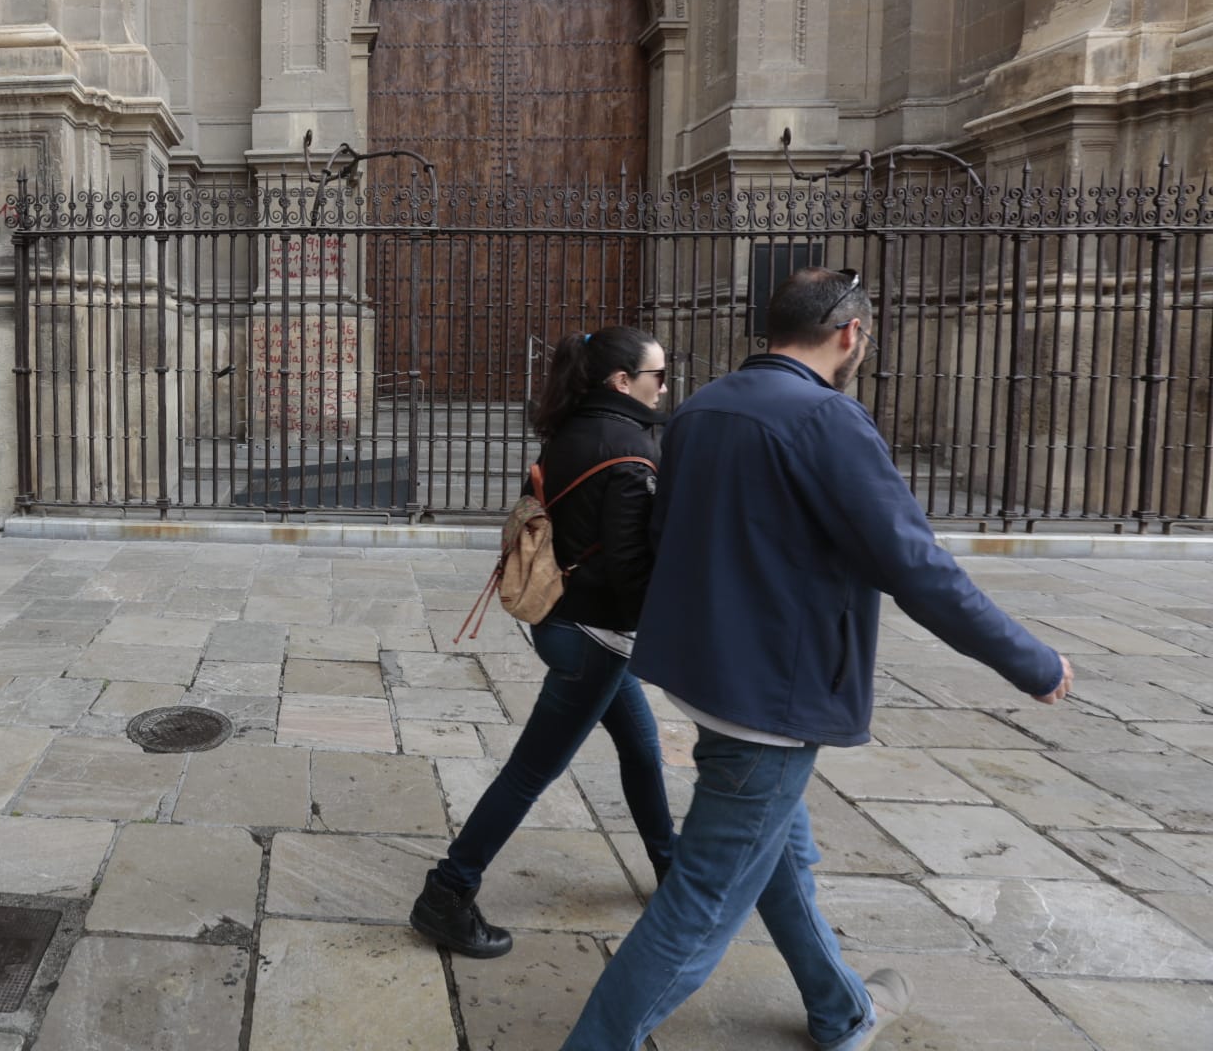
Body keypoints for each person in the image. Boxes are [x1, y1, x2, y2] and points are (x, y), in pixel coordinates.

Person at [560, 267, 1074, 1051]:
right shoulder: (828, 420)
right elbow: (915, 566)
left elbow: (670, 540)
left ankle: (841, 1011)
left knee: (782, 856)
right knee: (700, 903)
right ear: (850, 334)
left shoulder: (703, 408)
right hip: (772, 694)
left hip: (709, 676)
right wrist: (1031, 661)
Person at [411, 326, 678, 959]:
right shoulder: (632, 449)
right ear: (623, 381)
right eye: (658, 376)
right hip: (595, 636)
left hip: (563, 623)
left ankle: (673, 869)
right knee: (531, 772)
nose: (663, 386)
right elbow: (629, 565)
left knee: (641, 751)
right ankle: (447, 893)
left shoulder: (569, 431)